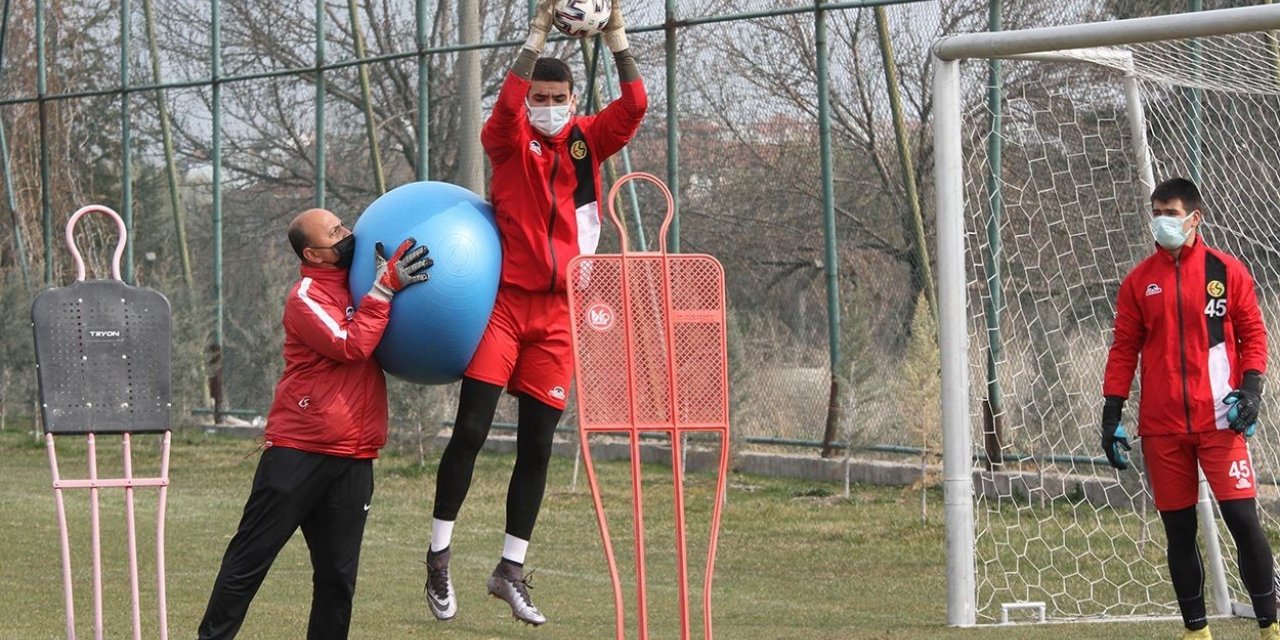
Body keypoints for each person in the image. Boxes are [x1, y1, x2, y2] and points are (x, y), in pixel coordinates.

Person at [421, 0, 647, 627]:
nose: (549, 103)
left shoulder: (587, 142)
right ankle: (439, 554)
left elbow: (634, 108)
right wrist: (540, 30)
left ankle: (509, 570)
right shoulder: (508, 141)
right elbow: (501, 110)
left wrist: (619, 35)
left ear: (574, 98)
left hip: (558, 316)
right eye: (540, 95)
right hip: (505, 308)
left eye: (560, 95)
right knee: (470, 431)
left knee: (538, 447)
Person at [197, 208, 433, 640]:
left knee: (337, 580)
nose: (346, 235)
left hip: (354, 455)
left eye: (343, 226)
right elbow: (351, 344)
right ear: (314, 253)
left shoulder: (359, 284)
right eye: (335, 233)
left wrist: (390, 276)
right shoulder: (305, 296)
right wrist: (383, 290)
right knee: (249, 561)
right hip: (299, 452)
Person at [1100, 177, 1277, 640]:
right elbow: (1123, 350)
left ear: (1195, 218)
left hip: (1222, 421)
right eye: (1156, 212)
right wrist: (1111, 413)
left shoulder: (1227, 271)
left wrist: (1252, 390)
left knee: (1243, 521)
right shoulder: (1139, 282)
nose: (1161, 221)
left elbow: (1254, 336)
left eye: (1171, 213)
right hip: (1162, 429)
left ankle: (1271, 626)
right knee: (1178, 530)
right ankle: (1196, 632)